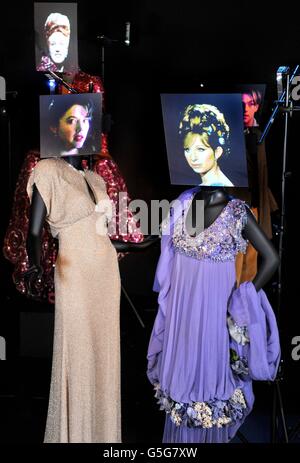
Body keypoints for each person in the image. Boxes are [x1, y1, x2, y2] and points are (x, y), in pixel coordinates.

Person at [147, 186, 281, 443]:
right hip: (181, 312)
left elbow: (271, 258)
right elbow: (160, 242)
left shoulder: (236, 211)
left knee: (209, 385)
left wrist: (245, 297)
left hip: (214, 314)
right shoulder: (184, 203)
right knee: (180, 386)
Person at [179, 104, 234, 186]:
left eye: (201, 149)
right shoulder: (211, 184)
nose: (193, 158)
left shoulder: (219, 187)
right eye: (187, 149)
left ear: (217, 152)